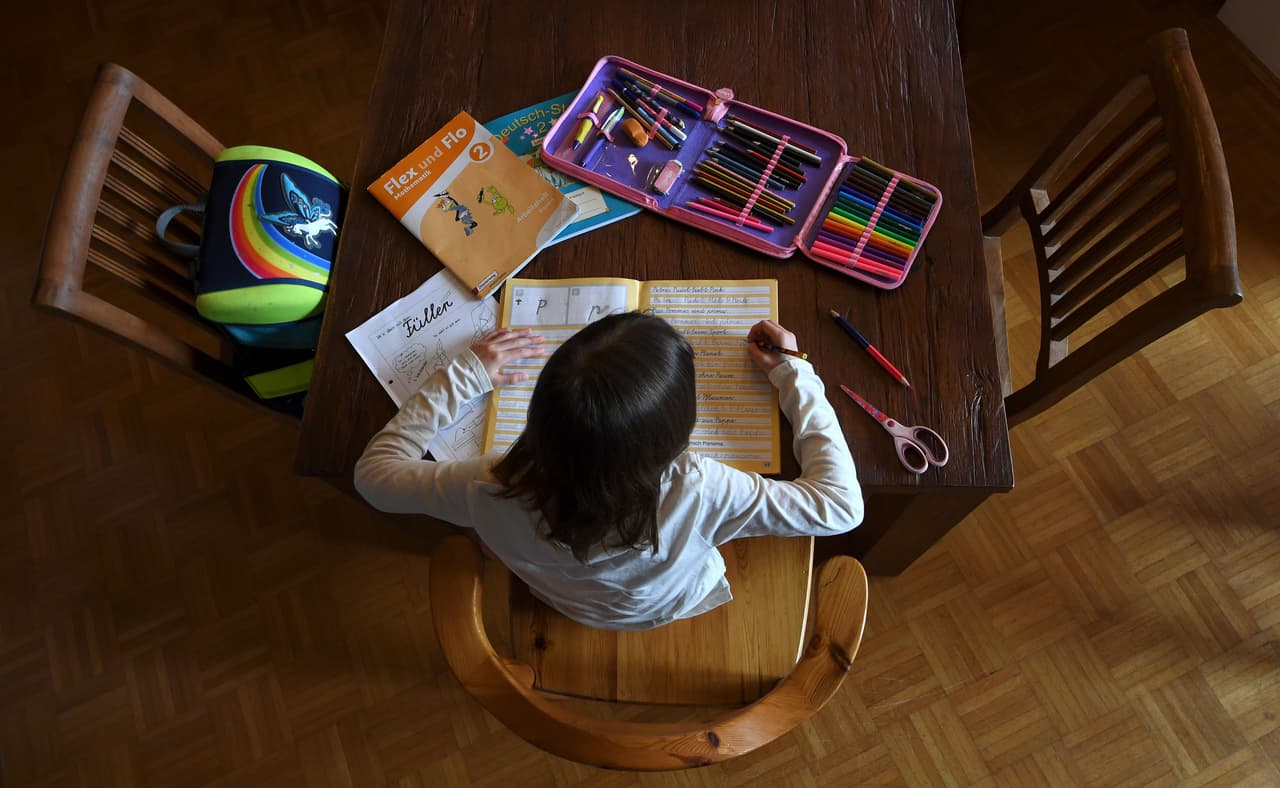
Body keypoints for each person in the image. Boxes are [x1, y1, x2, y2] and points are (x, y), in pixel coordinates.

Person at [354, 312, 862, 630]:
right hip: (673, 605)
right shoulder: (703, 489)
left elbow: (372, 476)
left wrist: (464, 376)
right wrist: (794, 372)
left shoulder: (485, 485)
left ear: (541, 417)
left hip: (565, 604)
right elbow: (842, 506)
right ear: (678, 439)